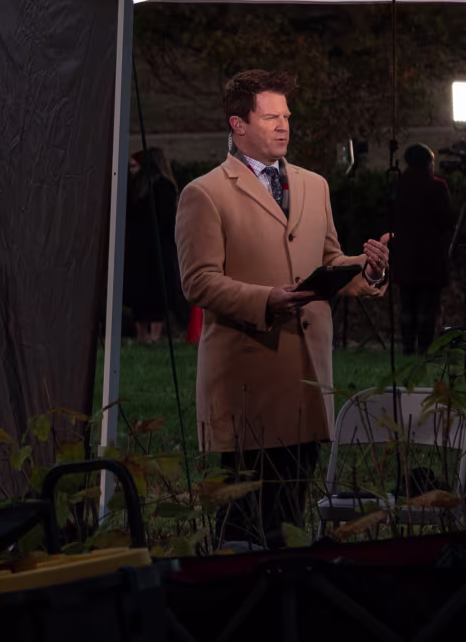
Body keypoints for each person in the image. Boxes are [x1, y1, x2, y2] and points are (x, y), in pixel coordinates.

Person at [175, 69, 390, 549]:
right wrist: (264, 299)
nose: (283, 125)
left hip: (308, 377)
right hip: (250, 376)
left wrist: (368, 268)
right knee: (247, 519)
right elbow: (198, 280)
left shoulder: (314, 186)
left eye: (286, 115)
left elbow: (329, 260)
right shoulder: (205, 193)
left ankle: (291, 601)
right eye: (270, 116)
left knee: (293, 510)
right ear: (238, 124)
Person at [392, 144, 453, 355]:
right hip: (430, 259)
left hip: (406, 258)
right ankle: (425, 347)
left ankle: (408, 346)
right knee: (428, 307)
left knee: (408, 306)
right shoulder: (437, 187)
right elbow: (446, 220)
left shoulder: (400, 185)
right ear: (428, 163)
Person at [124, 147, 182, 343]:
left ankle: (141, 333)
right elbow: (169, 220)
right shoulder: (165, 186)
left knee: (140, 292)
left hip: (137, 248)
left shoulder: (136, 187)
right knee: (158, 291)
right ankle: (154, 335)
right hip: (159, 248)